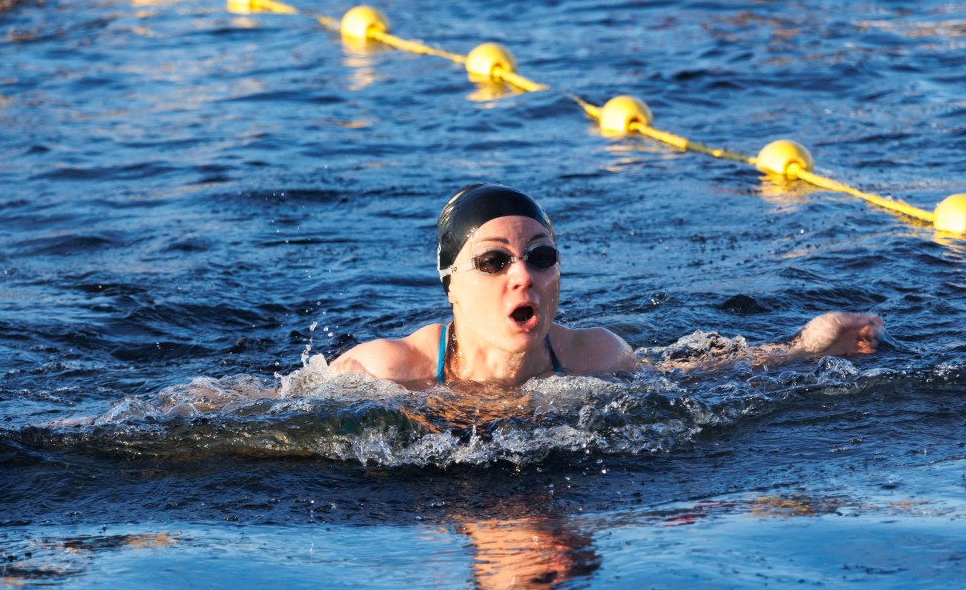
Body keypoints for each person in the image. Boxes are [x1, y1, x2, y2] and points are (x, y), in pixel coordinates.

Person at [331, 184, 884, 387]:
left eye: (540, 256)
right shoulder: (387, 371)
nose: (523, 275)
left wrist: (805, 347)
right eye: (494, 262)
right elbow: (258, 407)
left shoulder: (592, 354)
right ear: (451, 284)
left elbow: (693, 372)